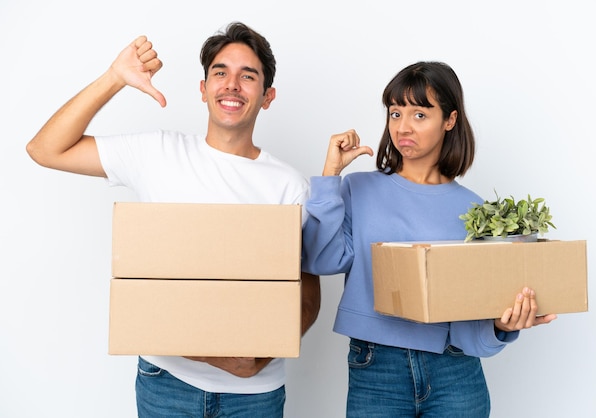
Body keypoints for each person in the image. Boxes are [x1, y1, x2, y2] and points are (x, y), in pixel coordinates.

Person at [26, 22, 320, 418]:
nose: (231, 85)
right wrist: (114, 78)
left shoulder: (289, 186)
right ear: (203, 89)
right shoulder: (157, 153)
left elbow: (307, 294)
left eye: (247, 76)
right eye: (220, 72)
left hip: (254, 396)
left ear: (267, 97)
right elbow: (45, 149)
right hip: (165, 384)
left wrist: (260, 358)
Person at [301, 61, 557, 417]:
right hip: (377, 367)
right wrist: (330, 176)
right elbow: (319, 259)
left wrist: (501, 326)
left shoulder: (475, 211)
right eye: (395, 113)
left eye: (420, 115)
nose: (403, 127)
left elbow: (473, 324)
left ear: (449, 120)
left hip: (456, 372)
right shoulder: (356, 189)